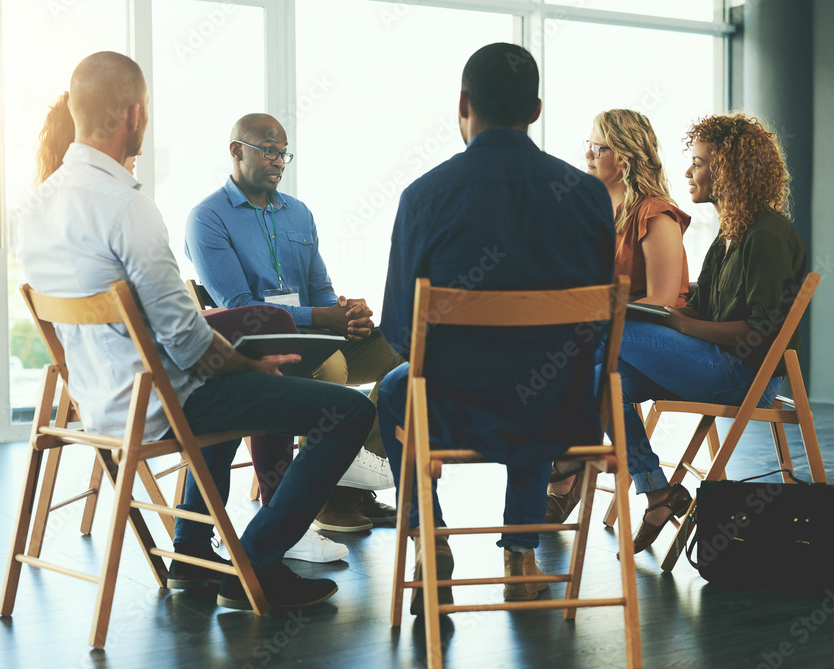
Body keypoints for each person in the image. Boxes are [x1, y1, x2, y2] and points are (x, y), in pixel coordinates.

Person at [17, 51, 376, 610]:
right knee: (349, 410)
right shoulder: (127, 208)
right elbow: (187, 344)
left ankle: (189, 544)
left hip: (100, 399)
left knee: (237, 373)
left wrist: (233, 356)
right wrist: (248, 363)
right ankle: (255, 562)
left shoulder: (39, 203)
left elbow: (170, 332)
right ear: (135, 115)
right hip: (159, 401)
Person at [378, 43, 616, 609]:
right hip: (564, 412)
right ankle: (521, 552)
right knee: (548, 373)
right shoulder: (586, 197)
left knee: (393, 391)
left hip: (455, 408)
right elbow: (595, 327)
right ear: (535, 110)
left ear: (463, 104)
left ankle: (428, 536)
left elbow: (398, 330)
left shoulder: (424, 196)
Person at [185, 113, 403, 533]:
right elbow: (240, 305)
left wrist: (344, 313)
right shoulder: (207, 217)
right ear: (236, 151)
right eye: (268, 150)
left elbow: (319, 287)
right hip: (259, 348)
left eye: (283, 153)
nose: (278, 161)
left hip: (315, 336)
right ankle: (318, 495)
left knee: (400, 347)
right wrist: (321, 316)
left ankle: (347, 482)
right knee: (334, 367)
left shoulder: (299, 214)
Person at [610, 112, 808, 553]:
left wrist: (677, 322)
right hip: (716, 363)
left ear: (729, 170)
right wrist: (660, 312)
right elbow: (701, 305)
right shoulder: (729, 235)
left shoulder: (766, 235)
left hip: (745, 375)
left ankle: (565, 463)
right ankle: (657, 492)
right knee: (607, 378)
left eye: (698, 163)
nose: (688, 172)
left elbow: (761, 331)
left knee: (599, 334)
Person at [546, 109, 692, 524]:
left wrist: (595, 314)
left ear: (625, 157)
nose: (587, 154)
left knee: (574, 365)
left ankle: (563, 469)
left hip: (654, 348)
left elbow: (663, 303)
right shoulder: (591, 211)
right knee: (580, 369)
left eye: (599, 146)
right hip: (606, 345)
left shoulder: (655, 214)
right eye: (588, 143)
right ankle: (655, 489)